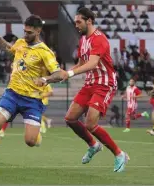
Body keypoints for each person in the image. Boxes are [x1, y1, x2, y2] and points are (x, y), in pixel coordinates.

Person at [36, 7, 129, 172]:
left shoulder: (99, 39)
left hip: (104, 83)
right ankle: (93, 145)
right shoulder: (83, 40)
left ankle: (119, 154)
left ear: (89, 21)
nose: (76, 25)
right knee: (70, 118)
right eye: (75, 22)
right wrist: (50, 78)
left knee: (90, 124)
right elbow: (81, 63)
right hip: (90, 83)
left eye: (79, 21)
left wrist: (70, 72)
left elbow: (92, 63)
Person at [0, 15, 64, 174]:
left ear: (38, 31)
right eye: (24, 31)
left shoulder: (45, 52)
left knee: (30, 142)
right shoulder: (20, 42)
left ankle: (37, 135)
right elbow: (8, 47)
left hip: (32, 100)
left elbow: (59, 74)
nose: (25, 35)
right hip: (12, 94)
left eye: (29, 32)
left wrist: (45, 79)